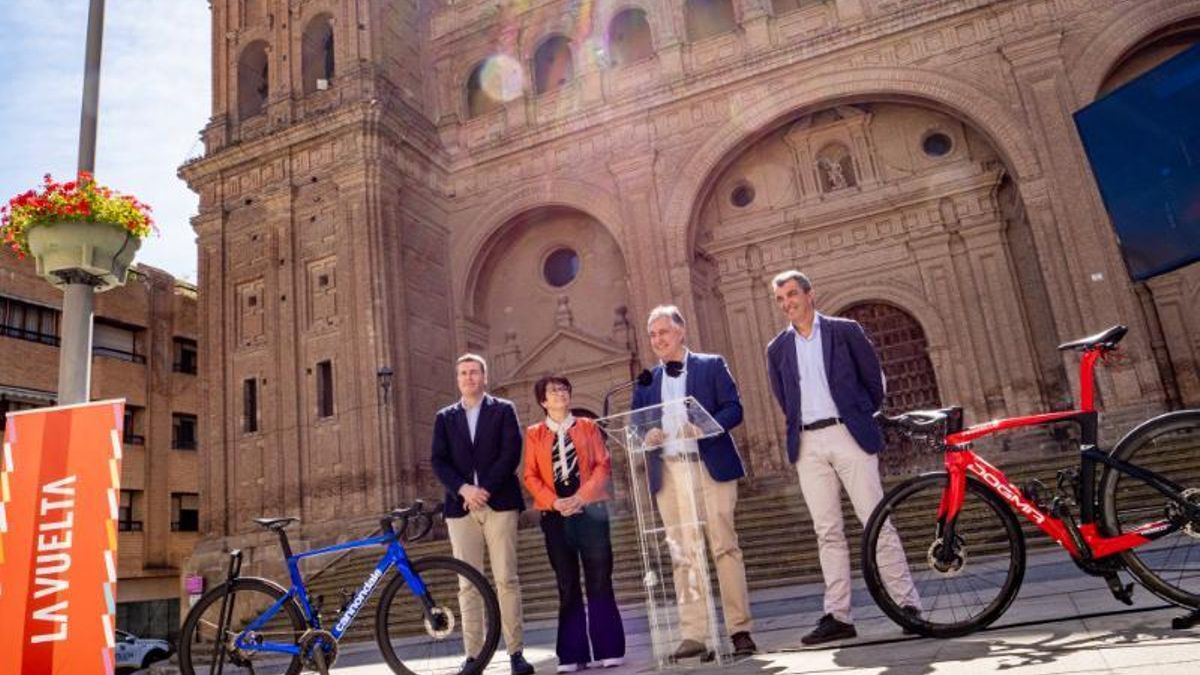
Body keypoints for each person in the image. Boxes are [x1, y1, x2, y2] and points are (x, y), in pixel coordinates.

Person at [765, 270, 921, 645]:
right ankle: (839, 614)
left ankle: (907, 605)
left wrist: (856, 414)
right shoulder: (777, 349)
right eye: (781, 299)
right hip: (808, 444)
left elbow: (874, 381)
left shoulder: (845, 330)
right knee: (827, 531)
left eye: (792, 295)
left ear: (809, 293)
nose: (788, 304)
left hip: (848, 434)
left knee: (877, 521)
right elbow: (784, 397)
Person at [631, 305, 757, 659]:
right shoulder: (646, 381)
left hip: (708, 466)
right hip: (668, 474)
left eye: (664, 332)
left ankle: (740, 629)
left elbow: (734, 408)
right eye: (653, 334)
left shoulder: (711, 365)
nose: (658, 340)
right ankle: (694, 634)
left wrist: (704, 427)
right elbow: (635, 424)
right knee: (682, 555)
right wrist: (647, 433)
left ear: (681, 332)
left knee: (724, 547)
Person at [431, 353, 535, 675]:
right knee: (467, 583)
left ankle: (515, 652)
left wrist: (483, 489)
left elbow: (511, 453)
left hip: (499, 502)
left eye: (474, 372)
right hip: (460, 508)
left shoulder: (503, 410)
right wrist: (464, 489)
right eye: (463, 373)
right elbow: (438, 461)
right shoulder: (444, 418)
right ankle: (473, 656)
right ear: (457, 379)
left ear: (484, 377)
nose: (468, 377)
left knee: (506, 579)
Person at [523, 375, 626, 673]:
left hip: (591, 512)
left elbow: (602, 464)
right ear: (543, 401)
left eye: (564, 389)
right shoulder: (534, 434)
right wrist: (554, 502)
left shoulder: (588, 426)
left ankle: (610, 648)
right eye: (553, 391)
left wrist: (581, 497)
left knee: (599, 579)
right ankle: (571, 654)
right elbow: (530, 475)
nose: (560, 394)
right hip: (555, 517)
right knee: (567, 584)